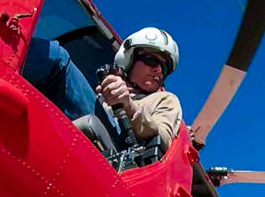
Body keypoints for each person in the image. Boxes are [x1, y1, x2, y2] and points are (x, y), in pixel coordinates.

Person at [21, 27, 183, 149]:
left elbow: (163, 138)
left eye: (164, 68)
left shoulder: (165, 99)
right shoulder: (105, 91)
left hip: (119, 153)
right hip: (90, 137)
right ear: (129, 60)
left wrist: (128, 105)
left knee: (58, 58)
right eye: (151, 60)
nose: (159, 70)